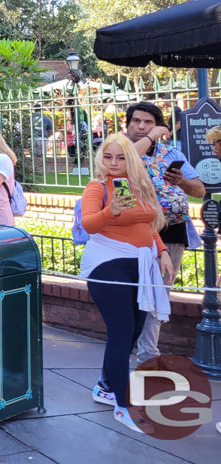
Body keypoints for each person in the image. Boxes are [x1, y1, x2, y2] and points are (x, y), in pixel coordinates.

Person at [79, 134, 172, 434]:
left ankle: (105, 387)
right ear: (101, 159)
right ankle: (123, 404)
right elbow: (89, 223)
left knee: (132, 331)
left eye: (120, 157)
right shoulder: (97, 186)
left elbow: (147, 225)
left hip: (141, 266)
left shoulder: (140, 185)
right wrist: (111, 210)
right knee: (120, 333)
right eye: (108, 157)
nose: (114, 163)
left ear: (130, 158)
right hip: (108, 264)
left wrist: (163, 252)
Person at [122, 101, 205, 363]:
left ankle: (148, 355)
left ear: (159, 125)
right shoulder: (119, 148)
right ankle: (123, 352)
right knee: (130, 294)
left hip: (172, 230)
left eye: (148, 122)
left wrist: (181, 181)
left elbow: (200, 190)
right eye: (136, 121)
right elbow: (127, 162)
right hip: (133, 230)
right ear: (128, 124)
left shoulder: (170, 153)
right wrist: (149, 137)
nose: (142, 126)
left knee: (159, 294)